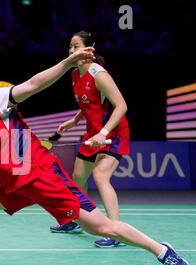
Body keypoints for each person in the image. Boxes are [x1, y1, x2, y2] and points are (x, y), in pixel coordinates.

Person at [0, 47, 192, 265]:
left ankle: (162, 252)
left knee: (102, 227)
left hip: (41, 177)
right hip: (10, 185)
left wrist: (68, 62)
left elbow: (34, 84)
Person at [49, 31, 130, 248]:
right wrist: (73, 122)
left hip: (112, 134)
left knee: (101, 176)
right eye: (70, 47)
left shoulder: (99, 74)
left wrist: (103, 133)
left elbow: (121, 106)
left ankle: (115, 232)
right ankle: (75, 219)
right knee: (77, 178)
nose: (71, 51)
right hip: (92, 134)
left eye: (76, 46)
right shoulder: (75, 74)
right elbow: (89, 104)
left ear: (89, 49)